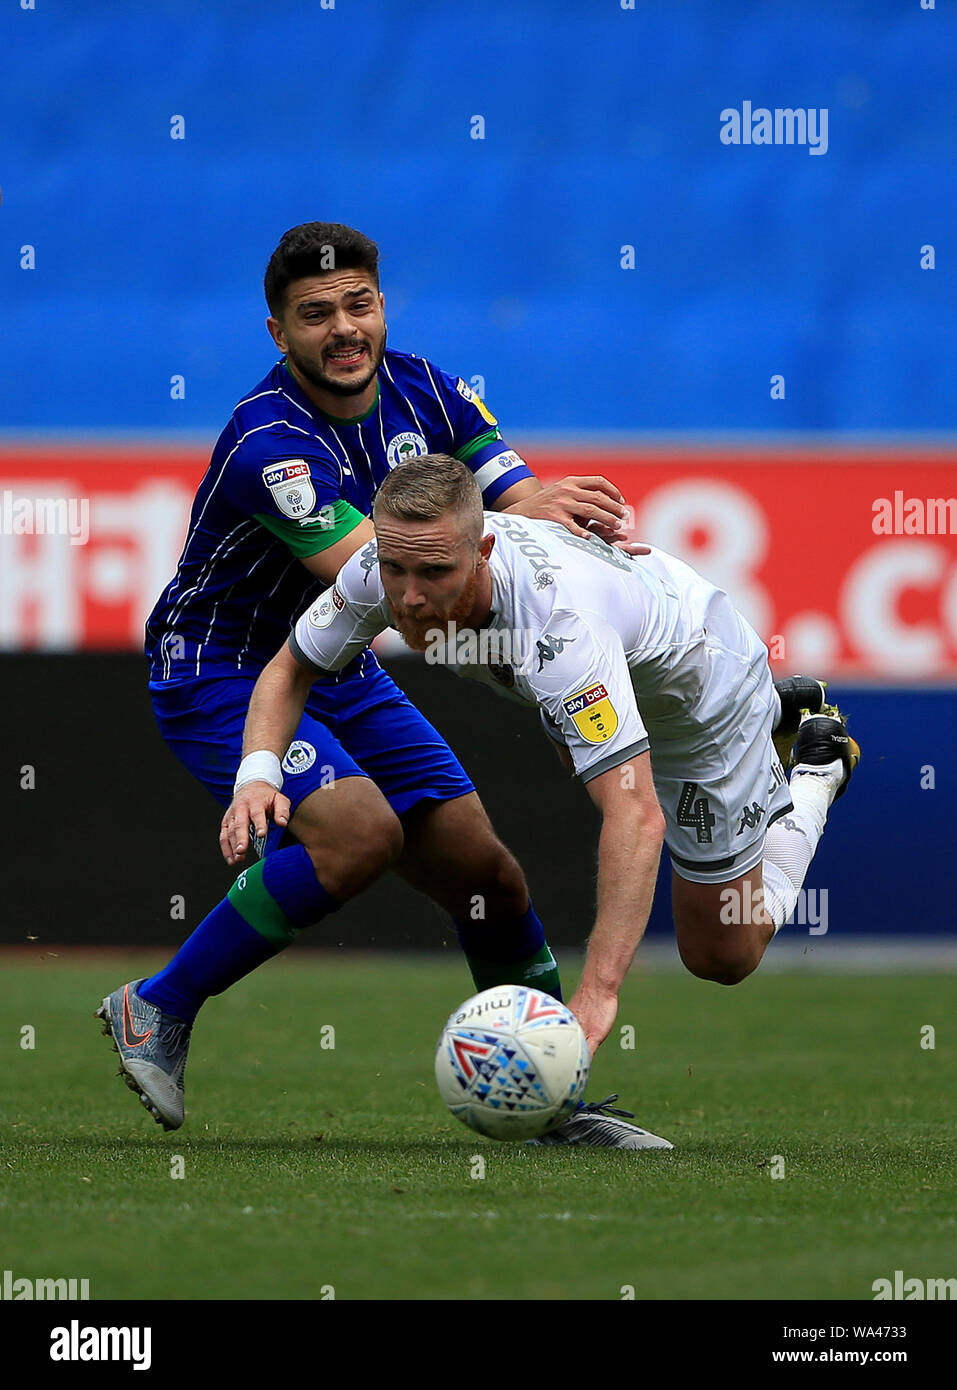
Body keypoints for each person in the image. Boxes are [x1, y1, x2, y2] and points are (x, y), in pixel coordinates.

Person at [98, 224, 662, 1148]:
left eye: (359, 305)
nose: (344, 329)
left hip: (338, 662)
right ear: (279, 333)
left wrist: (552, 516)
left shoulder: (428, 386)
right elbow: (393, 577)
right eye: (316, 314)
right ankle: (155, 1007)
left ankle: (552, 1096)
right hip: (226, 664)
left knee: (486, 872)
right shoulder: (268, 445)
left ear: (382, 307)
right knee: (361, 833)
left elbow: (511, 501)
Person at [224, 454, 859, 1067]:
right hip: (621, 660)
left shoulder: (560, 634)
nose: (410, 600)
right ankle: (777, 725)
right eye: (396, 570)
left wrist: (598, 994)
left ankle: (812, 772)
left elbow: (636, 817)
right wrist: (257, 775)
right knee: (578, 755)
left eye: (436, 573)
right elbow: (291, 668)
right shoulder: (381, 570)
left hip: (703, 698)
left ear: (483, 554)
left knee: (722, 953)